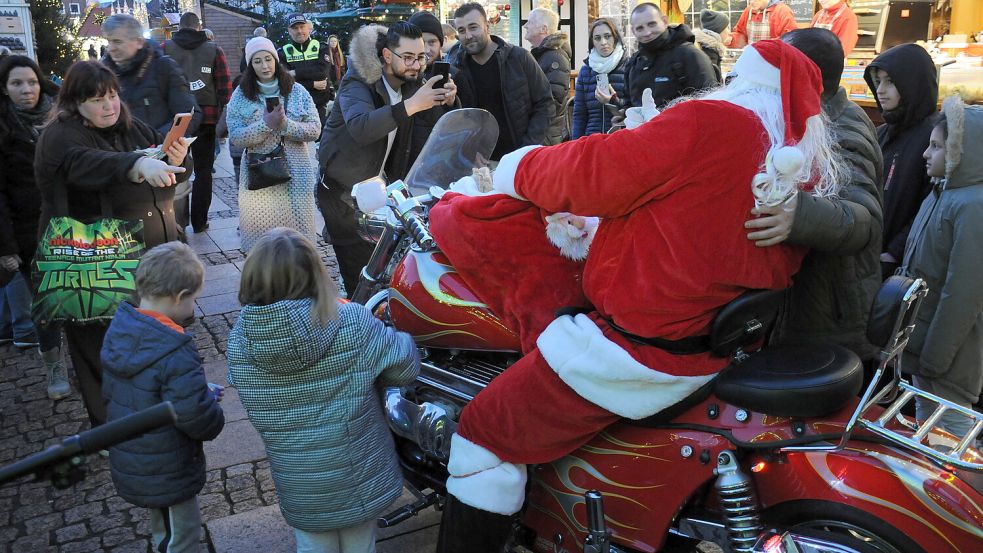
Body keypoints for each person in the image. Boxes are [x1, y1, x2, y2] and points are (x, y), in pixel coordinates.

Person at [430, 40, 844, 552]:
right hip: (720, 342)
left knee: (482, 432)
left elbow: (594, 170)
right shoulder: (798, 159)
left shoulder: (710, 124)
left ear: (744, 81)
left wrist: (518, 169)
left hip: (637, 351)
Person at [227, 227, 420, 553]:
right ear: (316, 273)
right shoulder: (352, 323)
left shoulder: (241, 342)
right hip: (358, 473)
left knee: (312, 546)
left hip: (300, 481)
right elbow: (404, 367)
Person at [34, 60, 192, 426]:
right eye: (96, 99)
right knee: (98, 347)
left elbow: (167, 169)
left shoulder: (131, 126)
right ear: (75, 102)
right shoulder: (60, 135)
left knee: (150, 339)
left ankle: (152, 412)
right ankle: (110, 428)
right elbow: (85, 163)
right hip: (90, 264)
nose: (109, 106)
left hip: (145, 256)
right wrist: (136, 165)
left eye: (112, 96)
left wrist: (176, 159)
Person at [746, 28, 883, 359]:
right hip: (812, 309)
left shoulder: (842, 132)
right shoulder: (810, 118)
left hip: (830, 319)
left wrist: (798, 214)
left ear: (804, 74)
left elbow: (863, 219)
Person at [101, 241, 225, 553]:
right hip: (167, 463)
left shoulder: (123, 327)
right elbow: (196, 417)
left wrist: (193, 388)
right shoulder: (175, 347)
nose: (193, 309)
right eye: (193, 300)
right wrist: (209, 407)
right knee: (181, 535)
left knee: (165, 528)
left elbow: (148, 387)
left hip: (138, 454)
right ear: (179, 297)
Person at [318, 22, 458, 295]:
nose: (416, 66)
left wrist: (450, 100)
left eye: (421, 57)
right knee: (360, 273)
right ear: (386, 56)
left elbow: (434, 127)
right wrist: (414, 103)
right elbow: (361, 127)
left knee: (389, 267)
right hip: (342, 192)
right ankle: (359, 326)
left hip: (381, 189)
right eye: (407, 58)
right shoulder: (358, 81)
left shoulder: (410, 83)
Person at [901, 96, 983, 437]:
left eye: (936, 146)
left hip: (948, 354)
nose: (925, 153)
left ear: (963, 153)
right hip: (925, 344)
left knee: (949, 437)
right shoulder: (944, 192)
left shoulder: (972, 207)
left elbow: (963, 292)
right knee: (929, 432)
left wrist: (935, 358)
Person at [0, 55, 70, 399]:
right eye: (17, 83)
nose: (26, 89)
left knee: (80, 293)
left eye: (31, 81)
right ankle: (54, 363)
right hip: (29, 229)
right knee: (45, 302)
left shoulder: (61, 115)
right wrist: (6, 246)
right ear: (5, 88)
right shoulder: (4, 128)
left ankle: (88, 358)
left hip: (71, 219)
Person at [228, 37, 320, 253]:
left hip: (297, 174)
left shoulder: (297, 91)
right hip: (260, 176)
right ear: (250, 65)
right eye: (257, 61)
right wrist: (265, 125)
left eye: (268, 59)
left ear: (276, 60)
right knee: (264, 242)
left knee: (299, 240)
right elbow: (236, 137)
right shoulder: (241, 95)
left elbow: (315, 129)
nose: (264, 66)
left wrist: (286, 125)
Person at [863, 44, 938, 279]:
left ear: (912, 83)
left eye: (890, 81)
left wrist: (895, 251)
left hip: (901, 265)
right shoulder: (883, 132)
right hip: (872, 257)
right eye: (878, 81)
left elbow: (932, 204)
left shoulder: (934, 137)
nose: (881, 90)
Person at [452, 2, 553, 160]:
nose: (468, 35)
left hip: (520, 157)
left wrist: (526, 150)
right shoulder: (457, 67)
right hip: (479, 161)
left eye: (473, 27)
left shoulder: (519, 58)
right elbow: (459, 118)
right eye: (461, 30)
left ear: (487, 26)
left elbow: (545, 104)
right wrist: (469, 151)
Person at [164, 12, 233, 234]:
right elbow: (225, 89)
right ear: (199, 26)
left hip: (176, 120)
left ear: (179, 26)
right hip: (207, 118)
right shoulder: (214, 50)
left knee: (173, 169)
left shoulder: (165, 49)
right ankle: (199, 221)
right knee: (203, 171)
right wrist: (225, 118)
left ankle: (176, 221)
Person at [102, 14, 202, 137]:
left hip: (160, 153)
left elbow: (189, 114)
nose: (111, 48)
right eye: (108, 41)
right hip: (120, 155)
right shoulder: (103, 74)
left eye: (117, 41)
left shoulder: (164, 68)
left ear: (138, 41)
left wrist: (158, 142)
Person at [623, 3, 718, 109]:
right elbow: (629, 103)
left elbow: (709, 105)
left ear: (664, 21)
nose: (647, 32)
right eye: (640, 28)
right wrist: (623, 116)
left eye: (652, 24)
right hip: (642, 125)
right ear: (633, 31)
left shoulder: (690, 56)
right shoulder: (634, 63)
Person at [571, 17, 627, 138]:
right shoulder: (586, 71)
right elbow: (579, 114)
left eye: (607, 36)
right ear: (592, 42)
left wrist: (612, 101)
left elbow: (635, 109)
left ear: (615, 37)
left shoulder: (628, 66)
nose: (603, 42)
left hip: (621, 139)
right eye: (597, 38)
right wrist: (576, 144)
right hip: (592, 139)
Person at [524, 7, 571, 145]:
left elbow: (552, 103)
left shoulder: (554, 58)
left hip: (545, 137)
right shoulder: (543, 56)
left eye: (530, 22)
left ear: (543, 29)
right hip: (540, 135)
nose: (525, 25)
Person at [278, 13, 332, 127]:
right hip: (295, 108)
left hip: (319, 105)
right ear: (289, 30)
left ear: (308, 28)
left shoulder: (321, 47)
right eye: (295, 28)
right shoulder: (283, 52)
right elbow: (285, 82)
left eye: (302, 27)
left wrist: (295, 73)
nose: (299, 31)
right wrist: (312, 84)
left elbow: (321, 73)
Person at [730, 0, 798, 48]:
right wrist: (731, 40)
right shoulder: (748, 10)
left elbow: (791, 39)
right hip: (752, 56)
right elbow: (741, 34)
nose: (752, 2)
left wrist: (763, 46)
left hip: (774, 60)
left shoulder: (782, 11)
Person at [697, 9, 730, 83]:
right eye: (726, 28)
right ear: (719, 30)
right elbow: (711, 83)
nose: (729, 31)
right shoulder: (709, 51)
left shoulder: (707, 47)